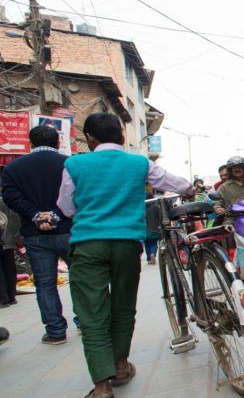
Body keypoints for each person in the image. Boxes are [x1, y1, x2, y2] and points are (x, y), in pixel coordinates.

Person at [57, 113, 193, 398]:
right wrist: (192, 189)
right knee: (123, 306)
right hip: (127, 245)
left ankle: (102, 386)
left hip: (88, 245)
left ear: (90, 139)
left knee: (92, 314)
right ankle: (120, 366)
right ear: (121, 136)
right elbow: (177, 184)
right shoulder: (139, 163)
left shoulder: (75, 164)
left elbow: (66, 208)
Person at [1, 125, 75, 344]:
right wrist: (56, 215)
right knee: (81, 279)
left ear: (30, 143)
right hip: (69, 230)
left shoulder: (13, 168)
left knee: (45, 284)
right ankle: (85, 324)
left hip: (35, 235)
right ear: (58, 142)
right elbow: (77, 193)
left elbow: (11, 196)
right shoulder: (69, 164)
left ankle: (55, 332)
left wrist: (36, 216)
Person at [0, 196, 18, 307]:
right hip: (9, 240)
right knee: (10, 267)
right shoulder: (6, 199)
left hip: (3, 237)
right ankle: (11, 296)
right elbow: (15, 219)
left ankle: (2, 298)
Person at [143, 185, 161, 265]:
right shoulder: (156, 206)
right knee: (154, 243)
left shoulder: (142, 208)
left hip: (145, 230)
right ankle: (153, 253)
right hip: (155, 229)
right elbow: (161, 216)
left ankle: (149, 258)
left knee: (147, 244)